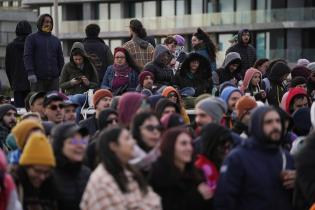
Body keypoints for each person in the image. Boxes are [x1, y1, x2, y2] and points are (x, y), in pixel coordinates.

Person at [214, 106, 295, 210]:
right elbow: (224, 201)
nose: (275, 126)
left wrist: (298, 182)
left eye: (278, 121)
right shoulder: (237, 158)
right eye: (268, 122)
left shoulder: (286, 157)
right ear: (257, 125)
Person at [80, 127, 162, 210]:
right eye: (127, 138)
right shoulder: (102, 182)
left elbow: (154, 200)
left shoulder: (129, 171)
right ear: (113, 146)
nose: (134, 142)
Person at [149, 128, 212, 210]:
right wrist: (196, 195)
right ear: (170, 146)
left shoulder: (197, 173)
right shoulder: (157, 174)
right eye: (183, 144)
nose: (189, 148)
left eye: (191, 144)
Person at [52, 123, 91, 210]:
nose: (80, 146)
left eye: (82, 141)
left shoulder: (87, 174)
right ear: (59, 145)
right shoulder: (48, 175)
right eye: (73, 141)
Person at [14, 133, 58, 210]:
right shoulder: (11, 186)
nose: (42, 177)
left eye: (46, 172)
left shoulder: (52, 184)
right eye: (37, 171)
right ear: (25, 167)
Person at [24, 14, 64, 92]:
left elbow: (60, 58)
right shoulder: (31, 38)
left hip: (54, 80)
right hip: (37, 79)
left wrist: (61, 74)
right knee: (39, 102)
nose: (48, 24)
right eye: (46, 22)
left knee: (53, 103)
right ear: (40, 23)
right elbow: (27, 56)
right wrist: (30, 72)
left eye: (50, 22)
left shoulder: (56, 40)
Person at [195, 123, 234, 200]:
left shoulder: (227, 166)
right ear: (211, 145)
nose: (226, 151)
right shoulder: (198, 170)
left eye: (228, 146)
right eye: (223, 146)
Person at [5, 20, 32, 107]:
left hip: (16, 84)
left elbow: (7, 67)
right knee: (31, 109)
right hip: (31, 83)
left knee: (19, 110)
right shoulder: (32, 46)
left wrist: (12, 83)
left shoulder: (10, 46)